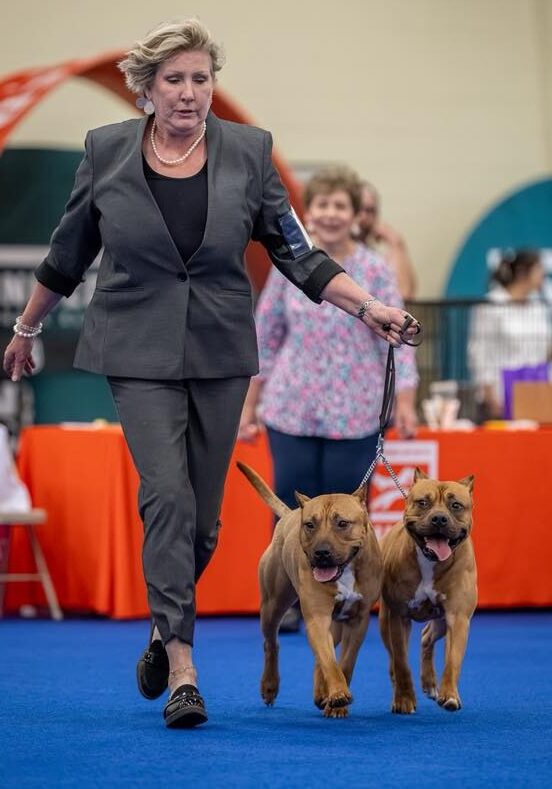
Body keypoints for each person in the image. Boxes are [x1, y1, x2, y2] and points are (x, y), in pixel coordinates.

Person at [2, 20, 420, 729]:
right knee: (165, 495)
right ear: (146, 89)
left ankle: (162, 624)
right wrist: (26, 326)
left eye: (201, 79)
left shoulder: (249, 153)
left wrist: (369, 305)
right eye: (175, 80)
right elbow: (67, 253)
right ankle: (185, 668)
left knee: (201, 520)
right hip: (135, 349)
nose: (191, 93)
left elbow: (300, 254)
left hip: (223, 350)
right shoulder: (106, 151)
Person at [238, 166, 419, 632]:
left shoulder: (375, 270)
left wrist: (406, 401)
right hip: (291, 410)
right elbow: (266, 340)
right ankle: (295, 599)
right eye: (323, 205)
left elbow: (398, 336)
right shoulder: (288, 269)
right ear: (308, 214)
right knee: (293, 510)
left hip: (357, 415)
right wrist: (249, 407)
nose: (332, 214)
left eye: (341, 205)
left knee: (347, 515)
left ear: (356, 215)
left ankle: (349, 598)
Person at [468, 249, 550, 420]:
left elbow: (544, 348)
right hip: (501, 394)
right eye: (538, 269)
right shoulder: (491, 304)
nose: (543, 274)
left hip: (535, 392)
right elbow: (479, 352)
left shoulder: (537, 305)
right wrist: (489, 394)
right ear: (522, 272)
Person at [353, 180, 417, 300]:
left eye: (369, 210)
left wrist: (396, 242)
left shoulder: (375, 259)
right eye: (358, 209)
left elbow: (404, 295)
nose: (363, 216)